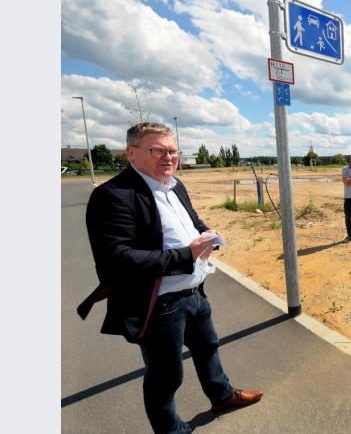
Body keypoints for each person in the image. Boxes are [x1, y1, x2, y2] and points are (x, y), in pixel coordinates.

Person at [81, 123, 262, 434]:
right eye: (158, 151)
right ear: (132, 153)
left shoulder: (175, 185)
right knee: (166, 375)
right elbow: (118, 259)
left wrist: (207, 234)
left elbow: (191, 220)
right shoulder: (112, 196)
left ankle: (221, 396)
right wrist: (186, 255)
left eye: (173, 151)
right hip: (158, 302)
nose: (169, 157)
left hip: (194, 291)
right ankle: (170, 430)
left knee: (208, 348)